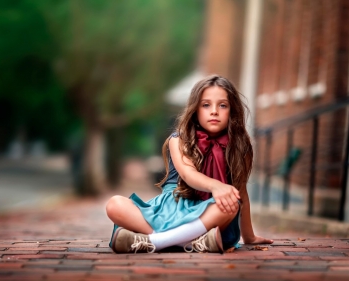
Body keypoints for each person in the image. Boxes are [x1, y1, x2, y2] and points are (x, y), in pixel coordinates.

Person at [106, 74, 273, 254]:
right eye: (206, 105)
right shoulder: (178, 140)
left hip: (209, 214)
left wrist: (249, 236)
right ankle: (191, 242)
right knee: (114, 204)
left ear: (232, 110)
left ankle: (151, 241)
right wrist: (216, 185)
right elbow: (188, 174)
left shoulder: (240, 146)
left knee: (232, 203)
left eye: (222, 105)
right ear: (195, 109)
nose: (214, 111)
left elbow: (241, 191)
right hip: (173, 207)